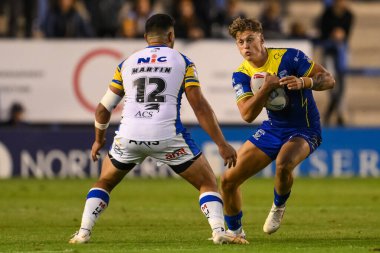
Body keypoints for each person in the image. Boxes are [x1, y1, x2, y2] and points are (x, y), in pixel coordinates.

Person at [69, 14, 248, 245]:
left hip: (129, 135)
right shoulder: (183, 61)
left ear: (146, 38)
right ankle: (218, 231)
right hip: (167, 136)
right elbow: (200, 107)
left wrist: (98, 140)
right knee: (207, 183)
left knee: (104, 182)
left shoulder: (127, 63)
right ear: (171, 35)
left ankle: (84, 232)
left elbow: (103, 109)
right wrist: (222, 144)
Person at [220, 17, 335, 238]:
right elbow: (246, 114)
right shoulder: (241, 74)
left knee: (283, 164)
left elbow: (328, 79)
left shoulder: (289, 56)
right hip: (273, 128)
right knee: (228, 180)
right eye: (240, 42)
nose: (246, 46)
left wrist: (304, 82)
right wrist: (266, 89)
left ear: (261, 39)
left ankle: (278, 206)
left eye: (250, 39)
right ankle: (235, 233)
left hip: (305, 128)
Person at [318, 0, 354, 126]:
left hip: (341, 50)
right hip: (329, 50)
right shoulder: (327, 14)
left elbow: (347, 34)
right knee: (331, 81)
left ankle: (336, 112)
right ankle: (335, 109)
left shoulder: (349, 14)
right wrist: (332, 34)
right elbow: (322, 33)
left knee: (342, 82)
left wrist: (340, 35)